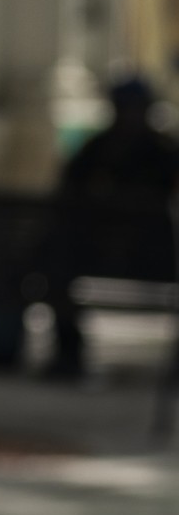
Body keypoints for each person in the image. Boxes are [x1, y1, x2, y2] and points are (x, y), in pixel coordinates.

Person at [43, 75, 179, 379]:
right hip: (136, 258)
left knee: (56, 259)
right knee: (58, 259)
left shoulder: (102, 149)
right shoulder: (159, 151)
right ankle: (68, 355)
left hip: (132, 255)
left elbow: (63, 196)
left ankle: (67, 356)